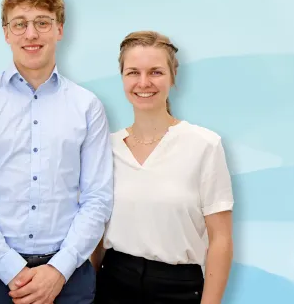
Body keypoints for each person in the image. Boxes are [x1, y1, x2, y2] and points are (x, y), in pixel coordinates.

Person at [0, 0, 114, 304]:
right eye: (20, 24)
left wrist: (58, 270)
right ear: (6, 32)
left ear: (59, 29)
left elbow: (98, 198)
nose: (31, 34)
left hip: (69, 279)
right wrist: (11, 269)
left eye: (42, 22)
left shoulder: (87, 106)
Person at [92, 30, 234, 304]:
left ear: (172, 76)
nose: (143, 82)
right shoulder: (105, 148)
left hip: (179, 289)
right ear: (122, 77)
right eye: (133, 72)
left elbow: (221, 239)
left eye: (155, 72)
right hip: (113, 284)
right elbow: (95, 235)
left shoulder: (204, 145)